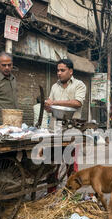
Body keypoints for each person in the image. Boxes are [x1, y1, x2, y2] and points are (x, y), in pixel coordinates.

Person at [44, 59, 86, 192]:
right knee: (52, 164)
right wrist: (48, 106)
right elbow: (50, 107)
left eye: (62, 70)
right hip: (55, 130)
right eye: (58, 70)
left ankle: (71, 195)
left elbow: (77, 103)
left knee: (71, 165)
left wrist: (55, 102)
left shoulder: (79, 85)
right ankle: (51, 194)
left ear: (70, 71)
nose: (59, 73)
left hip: (72, 130)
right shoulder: (54, 87)